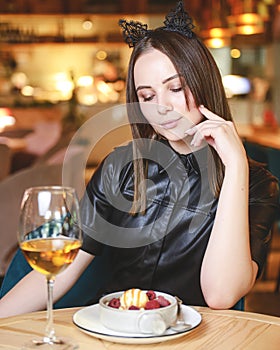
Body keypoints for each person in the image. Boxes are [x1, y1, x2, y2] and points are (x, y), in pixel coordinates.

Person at [0, 1, 279, 317]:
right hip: (115, 331)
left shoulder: (257, 184)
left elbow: (221, 294)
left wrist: (236, 167)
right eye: (147, 96)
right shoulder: (120, 168)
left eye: (175, 87)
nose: (161, 106)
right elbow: (61, 270)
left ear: (203, 83)